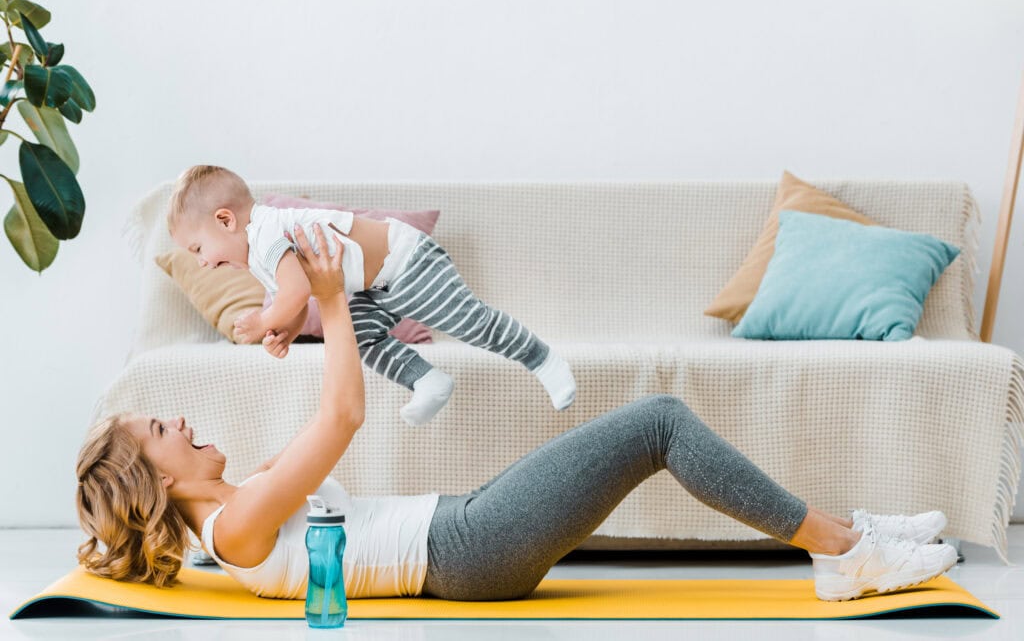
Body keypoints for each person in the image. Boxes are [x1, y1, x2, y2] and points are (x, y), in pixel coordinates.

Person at [76, 223, 957, 603]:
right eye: (163, 432)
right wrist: (332, 302)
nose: (180, 423)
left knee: (649, 424)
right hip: (468, 548)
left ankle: (846, 527)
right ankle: (841, 553)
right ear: (154, 478)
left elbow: (308, 437)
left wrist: (280, 322)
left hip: (462, 524)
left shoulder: (241, 505)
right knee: (659, 421)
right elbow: (342, 414)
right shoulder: (234, 527)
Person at [165, 165, 576, 425]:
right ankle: (428, 380)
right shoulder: (257, 255)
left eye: (199, 249)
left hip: (407, 262)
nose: (201, 263)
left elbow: (296, 291)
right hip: (371, 290)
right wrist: (286, 331)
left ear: (225, 220)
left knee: (472, 324)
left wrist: (263, 322)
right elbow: (294, 298)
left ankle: (541, 357)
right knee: (359, 340)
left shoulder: (265, 231)